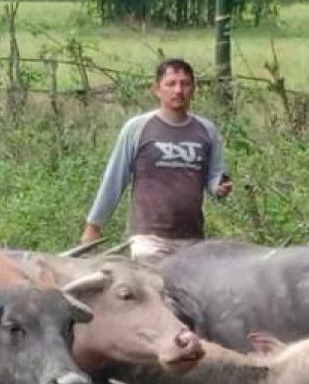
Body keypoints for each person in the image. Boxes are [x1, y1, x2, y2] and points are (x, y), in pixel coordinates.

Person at [79, 58, 231, 267]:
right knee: (155, 293)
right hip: (148, 239)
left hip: (193, 240)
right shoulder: (137, 128)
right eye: (171, 84)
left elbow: (214, 175)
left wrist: (218, 187)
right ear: (156, 89)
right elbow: (114, 179)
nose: (178, 90)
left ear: (193, 89)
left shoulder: (206, 130)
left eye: (185, 84)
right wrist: (93, 227)